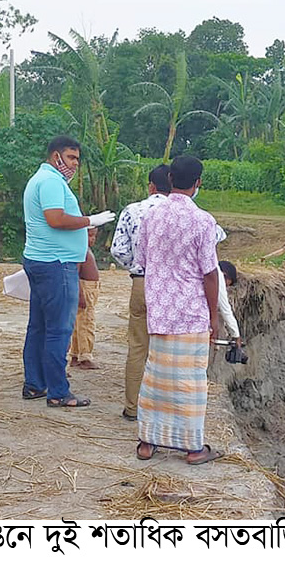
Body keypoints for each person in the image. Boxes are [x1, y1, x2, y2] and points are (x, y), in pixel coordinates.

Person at [133, 156, 223, 465]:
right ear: (198, 183)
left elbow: (141, 260)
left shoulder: (151, 217)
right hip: (191, 311)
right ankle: (193, 448)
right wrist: (214, 316)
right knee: (190, 380)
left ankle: (148, 442)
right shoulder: (203, 221)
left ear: (170, 178)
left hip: (160, 309)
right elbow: (210, 273)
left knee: (156, 376)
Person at [20, 136, 114, 406]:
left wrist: (83, 228)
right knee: (59, 329)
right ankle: (58, 392)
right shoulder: (50, 181)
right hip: (56, 264)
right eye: (71, 158)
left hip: (44, 260)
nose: (75, 164)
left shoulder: (45, 179)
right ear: (55, 157)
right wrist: (89, 220)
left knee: (38, 326)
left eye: (77, 159)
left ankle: (35, 384)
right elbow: (55, 219)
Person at [110, 164, 171, 421]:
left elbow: (117, 250)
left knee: (137, 347)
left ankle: (132, 407)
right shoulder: (182, 212)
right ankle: (164, 406)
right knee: (169, 348)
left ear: (151, 186)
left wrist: (135, 264)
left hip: (141, 282)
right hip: (171, 287)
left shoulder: (132, 210)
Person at [68, 228, 101, 370]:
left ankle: (75, 354)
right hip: (85, 289)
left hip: (89, 288)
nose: (92, 239)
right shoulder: (80, 251)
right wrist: (81, 294)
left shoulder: (83, 249)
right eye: (89, 235)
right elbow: (75, 273)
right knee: (87, 322)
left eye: (94, 236)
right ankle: (85, 356)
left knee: (78, 323)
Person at [216, 260, 241, 348]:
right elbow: (225, 309)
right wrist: (236, 335)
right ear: (225, 275)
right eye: (225, 285)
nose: (225, 287)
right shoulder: (217, 276)